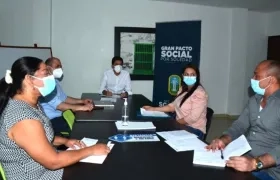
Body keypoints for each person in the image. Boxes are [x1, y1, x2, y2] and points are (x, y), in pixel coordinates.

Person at [0, 57, 110, 180]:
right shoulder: (23, 118)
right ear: (29, 79)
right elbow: (53, 162)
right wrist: (91, 150)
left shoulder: (32, 104)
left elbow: (39, 138)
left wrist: (65, 141)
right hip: (37, 176)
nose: (50, 78)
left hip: (44, 170)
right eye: (46, 73)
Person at [206, 60, 280, 180]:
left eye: (257, 75)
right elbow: (239, 125)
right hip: (245, 159)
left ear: (271, 80)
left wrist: (255, 163)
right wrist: (223, 140)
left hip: (270, 171)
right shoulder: (254, 100)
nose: (252, 78)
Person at [143, 64, 208, 140]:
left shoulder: (200, 93)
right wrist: (152, 109)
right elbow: (172, 106)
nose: (189, 77)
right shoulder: (182, 89)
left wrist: (175, 123)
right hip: (180, 126)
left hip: (194, 130)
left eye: (192, 75)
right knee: (155, 129)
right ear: (183, 76)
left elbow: (192, 118)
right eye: (187, 74)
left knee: (161, 136)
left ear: (197, 76)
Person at [40, 57, 94, 135]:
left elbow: (64, 98)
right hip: (51, 120)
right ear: (48, 68)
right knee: (82, 129)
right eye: (57, 66)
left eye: (61, 66)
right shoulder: (45, 85)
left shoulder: (55, 81)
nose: (60, 69)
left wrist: (82, 101)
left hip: (62, 115)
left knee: (85, 122)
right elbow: (59, 106)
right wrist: (82, 107)